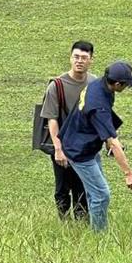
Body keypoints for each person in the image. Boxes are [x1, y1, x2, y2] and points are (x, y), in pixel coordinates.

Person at [58, 61, 132, 232]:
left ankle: (93, 225)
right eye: (127, 84)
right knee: (101, 195)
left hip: (86, 143)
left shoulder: (100, 84)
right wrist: (129, 174)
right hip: (80, 151)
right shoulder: (99, 106)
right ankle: (99, 235)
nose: (128, 87)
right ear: (118, 84)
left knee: (94, 192)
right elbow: (114, 143)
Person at [40, 40, 95, 220]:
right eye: (76, 57)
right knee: (62, 187)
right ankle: (63, 222)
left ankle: (82, 223)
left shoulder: (95, 83)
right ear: (70, 58)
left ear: (91, 60)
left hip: (85, 146)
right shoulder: (56, 85)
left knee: (83, 186)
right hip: (62, 144)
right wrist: (58, 148)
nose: (79, 61)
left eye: (84, 58)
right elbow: (51, 118)